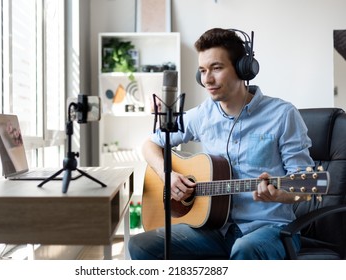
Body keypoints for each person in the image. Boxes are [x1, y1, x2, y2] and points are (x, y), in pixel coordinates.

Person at [128, 27, 315, 260]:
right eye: (202, 71)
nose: (207, 79)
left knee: (244, 249)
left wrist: (279, 195)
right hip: (215, 229)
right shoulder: (202, 115)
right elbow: (150, 144)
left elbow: (306, 189)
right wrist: (168, 175)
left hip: (269, 229)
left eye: (216, 68)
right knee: (140, 246)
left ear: (243, 68)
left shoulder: (282, 114)